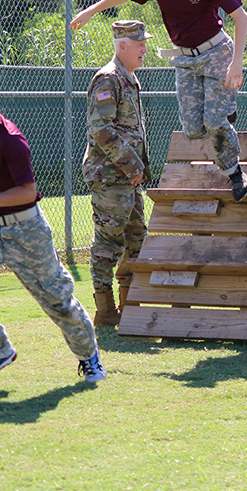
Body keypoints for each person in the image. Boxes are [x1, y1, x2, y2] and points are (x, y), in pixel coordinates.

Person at [70, 0, 247, 202]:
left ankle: (235, 173)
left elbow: (241, 17)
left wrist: (237, 62)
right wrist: (92, 10)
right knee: (193, 129)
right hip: (185, 59)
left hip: (217, 53)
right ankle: (225, 109)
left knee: (214, 121)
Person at [0, 77, 105, 385]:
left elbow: (27, 192)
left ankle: (89, 357)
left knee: (56, 300)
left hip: (27, 228)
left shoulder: (12, 141)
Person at [82, 20, 154, 327]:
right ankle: (105, 311)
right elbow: (101, 129)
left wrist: (137, 170)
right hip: (111, 178)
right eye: (139, 45)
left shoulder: (129, 79)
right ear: (122, 45)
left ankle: (130, 304)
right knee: (108, 243)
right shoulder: (108, 79)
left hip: (128, 180)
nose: (145, 49)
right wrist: (132, 164)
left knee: (137, 240)